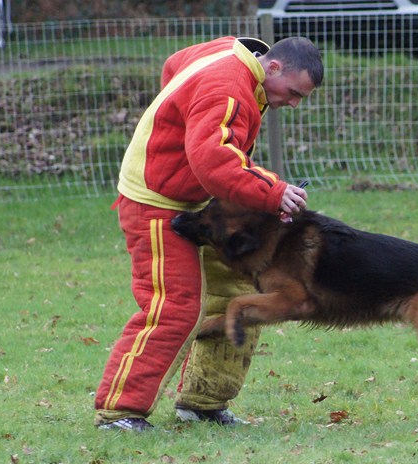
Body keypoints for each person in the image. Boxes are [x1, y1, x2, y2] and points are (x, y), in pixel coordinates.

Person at [94, 35, 324, 432]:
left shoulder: (232, 55)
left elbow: (174, 64)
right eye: (292, 93)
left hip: (193, 197)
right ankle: (120, 411)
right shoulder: (229, 86)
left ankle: (203, 403)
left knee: (239, 295)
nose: (293, 104)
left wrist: (179, 117)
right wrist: (274, 191)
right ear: (272, 68)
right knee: (175, 306)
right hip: (156, 200)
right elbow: (213, 158)